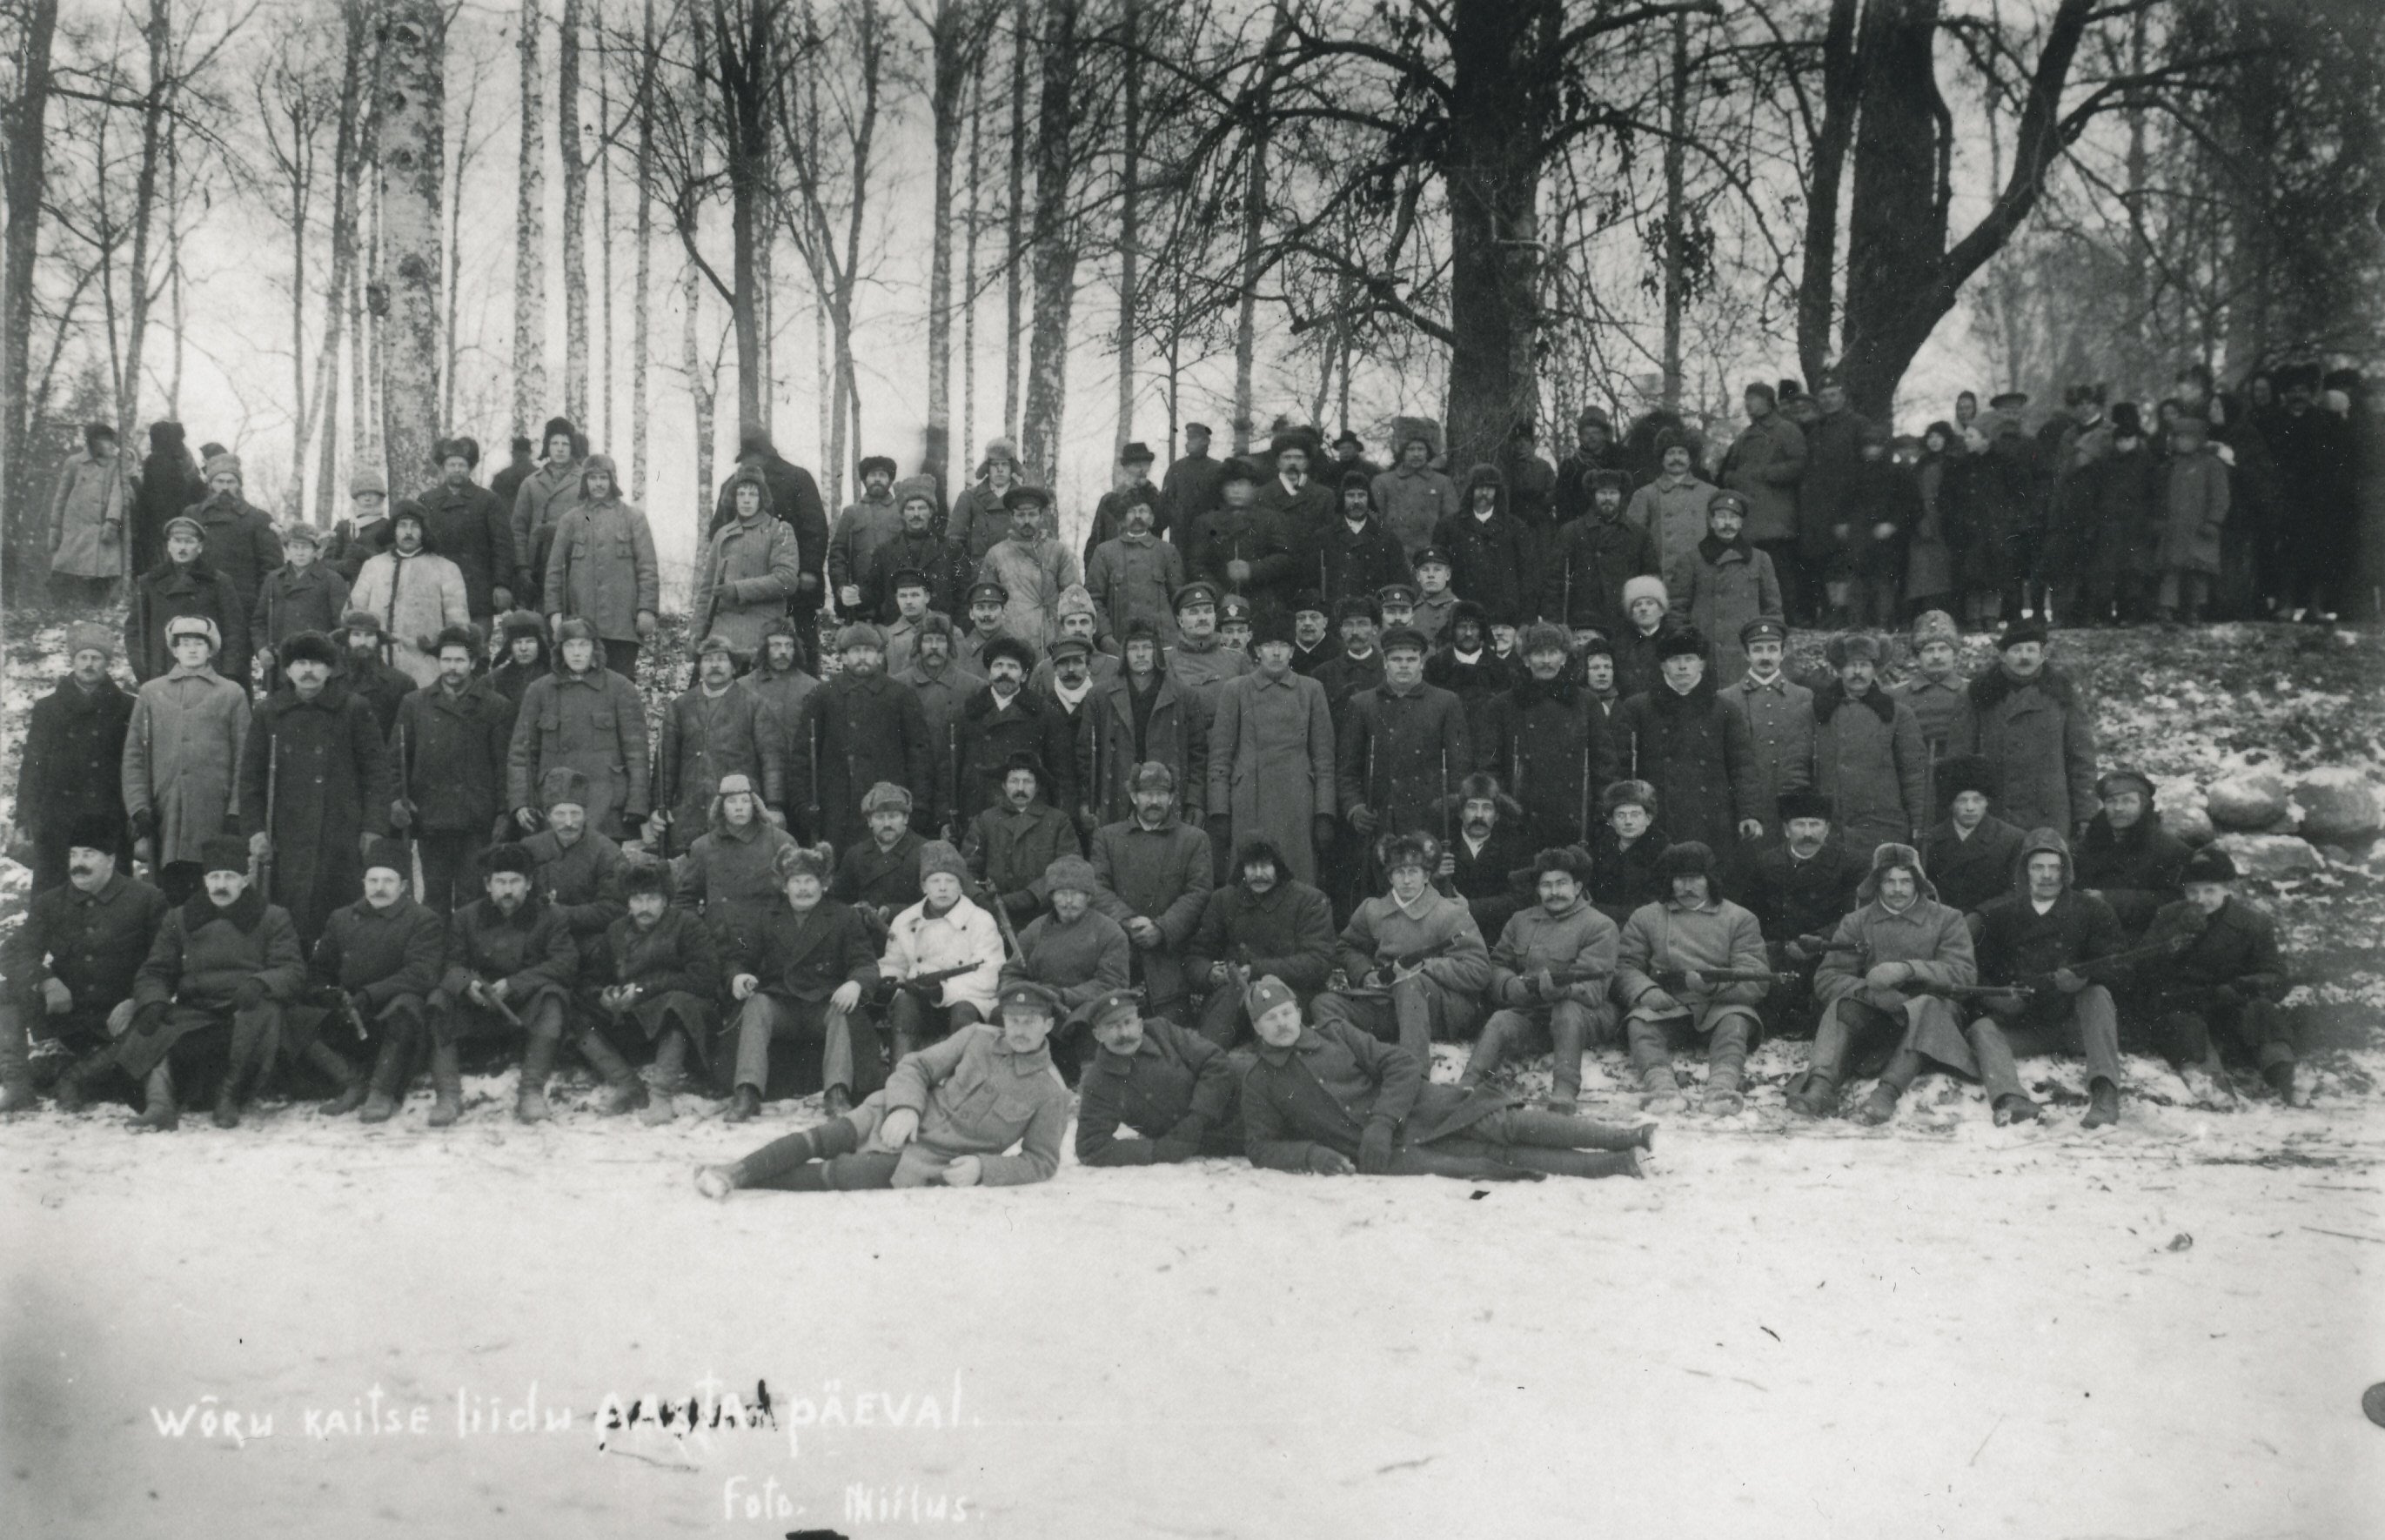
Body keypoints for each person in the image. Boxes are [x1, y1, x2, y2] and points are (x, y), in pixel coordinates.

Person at [1242, 974, 1647, 1180]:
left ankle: (1623, 1137)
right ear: (1258, 1029)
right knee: (1492, 1159)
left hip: (1419, 1108)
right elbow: (1262, 1146)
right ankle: (1614, 1165)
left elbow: (1400, 1065)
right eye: (1268, 1020)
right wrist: (1315, 1155)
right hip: (1390, 1153)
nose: (1281, 1024)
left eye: (1285, 1013)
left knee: (1503, 1124)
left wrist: (1383, 1121)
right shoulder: (1261, 1081)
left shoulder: (1335, 1032)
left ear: (1298, 1011)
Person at [694, 979, 1072, 1196]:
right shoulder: (977, 1036)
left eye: (1031, 1022)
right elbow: (916, 1065)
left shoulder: (1051, 1092)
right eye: (1013, 1020)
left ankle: (739, 1179)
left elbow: (1042, 1162)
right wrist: (904, 1107)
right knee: (823, 1138)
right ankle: (735, 1171)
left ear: (1048, 1026)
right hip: (896, 1116)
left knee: (844, 1174)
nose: (1019, 1030)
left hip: (934, 1159)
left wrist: (984, 1168)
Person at [109, 835, 305, 1130]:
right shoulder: (181, 917)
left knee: (265, 1012)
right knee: (153, 1027)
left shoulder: (272, 917)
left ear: (245, 879)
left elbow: (292, 969)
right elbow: (156, 970)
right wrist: (154, 1000)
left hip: (245, 1008)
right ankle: (159, 1105)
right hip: (196, 1011)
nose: (221, 885)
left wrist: (262, 983)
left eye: (229, 876)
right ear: (204, 880)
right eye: (214, 877)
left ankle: (230, 1096)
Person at [1786, 841, 1980, 1124]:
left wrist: (1908, 970)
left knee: (1926, 1005)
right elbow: (1828, 979)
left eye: (1906, 881)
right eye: (1889, 881)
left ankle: (1886, 1094)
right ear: (1876, 884)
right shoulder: (1857, 922)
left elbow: (1963, 975)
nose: (1898, 889)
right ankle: (1821, 1086)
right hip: (1877, 1021)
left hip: (1934, 1024)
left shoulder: (1947, 919)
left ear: (1919, 883)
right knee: (1842, 1005)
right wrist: (1869, 994)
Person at [0, 818, 171, 1113]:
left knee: (157, 1023)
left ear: (111, 860)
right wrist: (46, 981)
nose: (78, 864)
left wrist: (136, 1001)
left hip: (120, 1020)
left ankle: (75, 1078)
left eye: (89, 855)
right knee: (6, 993)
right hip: (69, 1017)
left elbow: (165, 963)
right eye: (73, 855)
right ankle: (17, 1085)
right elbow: (13, 954)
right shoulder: (51, 903)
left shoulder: (146, 900)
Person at [239, 631, 393, 949]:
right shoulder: (269, 712)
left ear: (329, 669)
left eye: (316, 664)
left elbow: (377, 775)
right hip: (286, 833)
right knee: (289, 914)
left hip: (341, 831)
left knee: (340, 913)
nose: (308, 671)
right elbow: (251, 780)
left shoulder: (353, 708)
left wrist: (373, 828)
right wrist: (255, 831)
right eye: (300, 663)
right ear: (288, 670)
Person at [719, 841, 881, 1121]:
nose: (803, 888)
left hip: (824, 1004)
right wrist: (739, 976)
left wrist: (855, 983)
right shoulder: (766, 917)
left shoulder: (843, 917)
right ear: (784, 886)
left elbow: (865, 963)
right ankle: (747, 1090)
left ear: (824, 884)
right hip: (782, 1004)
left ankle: (838, 1092)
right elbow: (739, 958)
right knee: (756, 1004)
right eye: (796, 881)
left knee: (843, 1012)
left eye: (810, 881)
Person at [2132, 846, 2299, 1106]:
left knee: (2262, 1010)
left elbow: (2276, 976)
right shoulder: (2168, 916)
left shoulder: (2253, 923)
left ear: (2227, 889)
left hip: (2233, 1007)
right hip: (2184, 1007)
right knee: (2185, 1028)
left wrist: (2241, 987)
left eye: (2210, 890)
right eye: (2192, 891)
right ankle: (2212, 1087)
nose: (2201, 899)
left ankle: (2287, 1077)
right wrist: (2173, 941)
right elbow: (2142, 967)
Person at [431, 843, 584, 1124]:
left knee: (553, 997)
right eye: (500, 882)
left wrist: (515, 983)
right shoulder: (466, 917)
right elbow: (451, 963)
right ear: (488, 885)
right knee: (440, 1000)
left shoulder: (551, 916)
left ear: (529, 884)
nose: (508, 890)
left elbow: (564, 964)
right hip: (478, 1004)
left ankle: (531, 1092)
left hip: (523, 1005)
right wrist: (468, 985)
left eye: (515, 881)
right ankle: (448, 1096)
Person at [1613, 840, 1769, 1115]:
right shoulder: (1647, 917)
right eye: (1679, 879)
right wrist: (1646, 991)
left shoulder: (1740, 919)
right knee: (1639, 1023)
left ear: (1710, 880)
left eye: (1696, 878)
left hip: (1719, 1006)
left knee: (1737, 1022)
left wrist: (1713, 986)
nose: (1687, 887)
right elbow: (1625, 966)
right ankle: (1661, 1088)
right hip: (1669, 1006)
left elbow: (1755, 978)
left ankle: (1721, 1089)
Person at [1312, 833, 1490, 1066]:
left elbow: (1479, 970)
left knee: (1410, 984)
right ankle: (1362, 1061)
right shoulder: (1372, 910)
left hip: (1437, 1008)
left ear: (1426, 876)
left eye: (1413, 872)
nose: (1407, 880)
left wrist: (1425, 966)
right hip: (1387, 1002)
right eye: (1399, 872)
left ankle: (1414, 1074)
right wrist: (1366, 974)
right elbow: (1347, 947)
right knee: (1324, 1004)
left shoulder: (1449, 913)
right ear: (1390, 877)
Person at [1461, 846, 1617, 1110]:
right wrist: (1510, 986)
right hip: (1533, 1012)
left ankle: (1564, 1092)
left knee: (1567, 1010)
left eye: (1561, 884)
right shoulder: (1521, 921)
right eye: (1546, 885)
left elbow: (1595, 988)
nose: (1554, 892)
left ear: (1577, 887)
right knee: (1501, 1019)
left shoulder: (1599, 925)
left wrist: (1564, 991)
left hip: (1586, 1017)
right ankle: (1467, 1086)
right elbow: (1498, 964)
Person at [308, 837, 447, 1122]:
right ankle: (351, 1081)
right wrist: (327, 993)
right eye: (372, 880)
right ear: (363, 882)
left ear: (404, 886)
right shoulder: (342, 918)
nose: (379, 888)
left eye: (388, 881)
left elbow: (422, 973)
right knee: (296, 1016)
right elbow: (319, 968)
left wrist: (370, 994)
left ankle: (381, 1092)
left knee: (406, 1005)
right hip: (350, 1016)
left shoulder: (423, 920)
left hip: (391, 1020)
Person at [1613, 626, 1763, 873]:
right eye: (1675, 660)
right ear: (1663, 665)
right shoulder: (1638, 708)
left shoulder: (1725, 710)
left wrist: (1749, 813)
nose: (1682, 666)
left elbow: (1743, 766)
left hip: (1712, 820)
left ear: (1701, 664)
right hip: (1657, 820)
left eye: (1689, 659)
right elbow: (1621, 765)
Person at [389, 626, 513, 914]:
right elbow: (396, 759)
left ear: (472, 664)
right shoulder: (414, 703)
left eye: (459, 661)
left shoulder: (495, 707)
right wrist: (397, 798)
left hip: (476, 818)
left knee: (473, 896)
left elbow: (504, 764)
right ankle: (434, 956)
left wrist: (502, 812)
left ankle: (467, 958)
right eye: (446, 660)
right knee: (434, 895)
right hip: (431, 815)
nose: (452, 667)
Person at [1205, 613, 1337, 886]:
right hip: (1248, 804)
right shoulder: (1236, 690)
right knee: (1250, 877)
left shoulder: (1311, 690)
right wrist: (1219, 810)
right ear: (1256, 650)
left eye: (1283, 646)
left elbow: (1324, 760)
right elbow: (1220, 757)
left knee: (1296, 880)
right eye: (1269, 645)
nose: (1276, 653)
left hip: (1297, 804)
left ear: (1292, 651)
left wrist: (1324, 812)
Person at [1336, 628, 1471, 874]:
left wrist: (1448, 811)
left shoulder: (1446, 702)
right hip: (1379, 821)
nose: (1404, 666)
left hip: (1430, 821)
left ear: (1422, 663)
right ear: (1385, 663)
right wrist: (1354, 808)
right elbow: (1347, 769)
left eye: (1411, 659)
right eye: (1396, 660)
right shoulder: (1362, 704)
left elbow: (1459, 765)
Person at [124, 615, 252, 871]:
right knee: (170, 887)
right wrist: (139, 807)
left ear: (211, 649)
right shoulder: (151, 693)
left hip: (214, 810)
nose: (192, 649)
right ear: (174, 649)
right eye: (184, 643)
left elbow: (245, 757)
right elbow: (134, 755)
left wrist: (236, 810)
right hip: (165, 812)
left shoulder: (232, 693)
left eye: (199, 643)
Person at [14, 623, 135, 893]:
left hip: (108, 816)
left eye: (96, 658)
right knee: (55, 894)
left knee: (111, 895)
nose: (89, 664)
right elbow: (33, 766)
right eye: (83, 657)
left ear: (107, 663)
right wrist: (25, 816)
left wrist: (135, 815)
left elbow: (135, 766)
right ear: (73, 661)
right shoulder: (48, 708)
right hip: (59, 818)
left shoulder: (128, 707)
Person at [1089, 761, 1214, 1020]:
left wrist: (1162, 928)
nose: (1154, 801)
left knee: (1171, 1030)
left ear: (1171, 798)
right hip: (1122, 951)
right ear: (1134, 796)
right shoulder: (1107, 837)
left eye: (1161, 794)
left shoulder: (1193, 839)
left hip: (1170, 956)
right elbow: (1097, 887)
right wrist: (1130, 922)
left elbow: (1198, 892)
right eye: (1147, 794)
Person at [507, 617, 652, 841]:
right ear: (559, 651)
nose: (577, 653)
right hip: (553, 805)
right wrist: (520, 802)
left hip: (606, 807)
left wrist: (637, 805)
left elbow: (637, 754)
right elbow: (521, 754)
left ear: (595, 649)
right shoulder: (539, 691)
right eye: (570, 646)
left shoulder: (620, 688)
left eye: (583, 645)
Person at [1184, 838, 1336, 1051]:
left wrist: (1257, 970)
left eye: (1265, 866)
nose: (1258, 874)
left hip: (1290, 995)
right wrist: (1210, 973)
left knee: (1272, 1054)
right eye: (1251, 866)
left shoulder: (1309, 900)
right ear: (1241, 868)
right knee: (1210, 1048)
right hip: (1234, 998)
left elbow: (1319, 962)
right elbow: (1196, 956)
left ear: (1278, 867)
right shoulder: (1224, 900)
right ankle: (1206, 1061)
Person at [1953, 617, 2098, 839]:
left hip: (2049, 813)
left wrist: (2085, 814)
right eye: (2017, 650)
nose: (2024, 657)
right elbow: (1961, 758)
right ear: (2002, 656)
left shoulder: (2062, 694)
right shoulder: (1978, 694)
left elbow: (2082, 760)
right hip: (1994, 811)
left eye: (2031, 650)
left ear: (2042, 655)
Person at [1745, 789, 1869, 1034]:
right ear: (1786, 829)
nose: (1808, 833)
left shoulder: (1851, 864)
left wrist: (1816, 943)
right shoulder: (1765, 863)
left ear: (1828, 828)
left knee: (1830, 1018)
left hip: (1828, 953)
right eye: (1800, 824)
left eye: (1815, 824)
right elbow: (1751, 916)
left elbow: (1855, 918)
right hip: (1780, 954)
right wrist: (1778, 946)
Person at [1001, 854, 1131, 1079]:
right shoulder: (1035, 929)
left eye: (1076, 894)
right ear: (1051, 896)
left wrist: (1064, 994)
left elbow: (1112, 982)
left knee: (1087, 1022)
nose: (1068, 901)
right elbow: (1012, 972)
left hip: (1082, 1009)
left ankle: (1089, 1085)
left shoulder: (1109, 932)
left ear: (1088, 896)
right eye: (1061, 894)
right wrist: (1028, 995)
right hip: (1041, 1009)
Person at [653, 636, 785, 854]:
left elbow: (772, 759)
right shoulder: (680, 707)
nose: (714, 665)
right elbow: (665, 763)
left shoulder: (754, 705)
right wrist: (660, 806)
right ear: (699, 667)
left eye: (721, 659)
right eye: (708, 659)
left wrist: (774, 806)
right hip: (690, 813)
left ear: (734, 667)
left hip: (739, 810)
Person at [876, 840, 1006, 1061]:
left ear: (961, 886)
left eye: (950, 881)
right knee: (904, 1006)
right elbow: (894, 964)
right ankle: (902, 1077)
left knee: (963, 1013)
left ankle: (964, 1080)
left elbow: (990, 973)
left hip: (967, 998)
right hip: (919, 998)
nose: (943, 888)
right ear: (924, 886)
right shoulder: (906, 920)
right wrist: (889, 983)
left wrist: (942, 991)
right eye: (935, 881)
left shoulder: (980, 920)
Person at [543, 454, 660, 680]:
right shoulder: (571, 520)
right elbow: (555, 571)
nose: (598, 484)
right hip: (580, 626)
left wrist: (647, 609)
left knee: (621, 685)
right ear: (584, 482)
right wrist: (554, 613)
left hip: (623, 625)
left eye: (603, 478)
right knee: (581, 686)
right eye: (592, 478)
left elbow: (647, 568)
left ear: (613, 481)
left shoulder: (633, 518)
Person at [1812, 632, 1928, 853]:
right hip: (1828, 829)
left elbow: (1914, 775)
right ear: (1839, 669)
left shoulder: (1898, 714)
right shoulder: (1816, 711)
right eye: (1850, 665)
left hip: (1883, 828)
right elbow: (1797, 767)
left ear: (1875, 669)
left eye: (1864, 665)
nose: (1857, 672)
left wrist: (1919, 824)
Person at [1087, 619, 1208, 830]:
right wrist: (1089, 803)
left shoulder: (1185, 697)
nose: (1141, 654)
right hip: (1118, 796)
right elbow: (1086, 755)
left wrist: (1194, 801)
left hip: (1166, 794)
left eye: (1147, 647)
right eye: (1134, 648)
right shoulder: (1100, 697)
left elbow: (1198, 754)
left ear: (1157, 652)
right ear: (1124, 652)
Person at [672, 770, 801, 959]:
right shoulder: (703, 847)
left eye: (745, 801)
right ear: (721, 807)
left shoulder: (780, 842)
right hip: (722, 943)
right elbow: (685, 901)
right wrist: (700, 934)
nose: (739, 808)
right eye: (732, 802)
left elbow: (798, 893)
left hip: (773, 941)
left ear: (755, 805)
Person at [954, 636, 1078, 829]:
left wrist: (1063, 818)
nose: (1004, 672)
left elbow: (1062, 774)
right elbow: (951, 769)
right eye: (998, 666)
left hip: (1029, 813)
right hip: (977, 813)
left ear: (1024, 676)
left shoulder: (1045, 714)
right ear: (989, 673)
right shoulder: (968, 714)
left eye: (1012, 667)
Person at [347, 502, 472, 687]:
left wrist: (437, 649)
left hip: (424, 670)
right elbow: (353, 615)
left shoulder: (445, 569)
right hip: (375, 669)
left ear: (424, 531)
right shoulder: (374, 566)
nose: (408, 532)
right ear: (393, 530)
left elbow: (458, 626)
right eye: (402, 526)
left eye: (415, 526)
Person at [691, 465, 803, 668]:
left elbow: (786, 580)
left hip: (761, 633)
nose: (746, 499)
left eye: (753, 494)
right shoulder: (722, 534)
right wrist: (696, 633)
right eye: (741, 494)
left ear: (762, 498)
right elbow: (707, 589)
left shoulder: (780, 530)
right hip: (721, 635)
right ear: (733, 498)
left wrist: (737, 590)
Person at [1718, 381, 1808, 620]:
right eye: (1747, 399)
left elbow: (1799, 464)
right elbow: (1728, 469)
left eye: (1754, 398)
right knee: (1754, 571)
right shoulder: (1744, 436)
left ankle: (1789, 617)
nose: (1749, 404)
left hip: (1776, 516)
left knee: (1781, 571)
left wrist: (1768, 473)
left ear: (1769, 401)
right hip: (1750, 519)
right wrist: (1733, 478)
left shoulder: (1786, 430)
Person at [961, 751, 1083, 927]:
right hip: (993, 917)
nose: (1020, 788)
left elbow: (1069, 869)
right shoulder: (985, 820)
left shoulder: (1058, 821)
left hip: (1043, 917)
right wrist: (979, 898)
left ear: (1037, 786)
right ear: (1004, 785)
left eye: (1027, 781)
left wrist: (1029, 897)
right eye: (1013, 781)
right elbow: (967, 868)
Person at [127, 515, 251, 688]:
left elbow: (234, 631)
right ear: (169, 546)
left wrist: (228, 674)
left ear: (199, 547)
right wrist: (142, 669)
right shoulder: (149, 582)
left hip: (208, 672)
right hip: (162, 671)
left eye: (189, 542)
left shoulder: (218, 582)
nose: (182, 548)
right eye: (177, 541)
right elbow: (135, 631)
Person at [2072, 768, 2190, 940]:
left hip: (2144, 939)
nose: (2118, 808)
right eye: (2112, 801)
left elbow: (2176, 901)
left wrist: (2110, 899)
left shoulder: (2172, 851)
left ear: (2143, 806)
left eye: (2128, 801)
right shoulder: (2086, 847)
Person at [1679, 492, 1782, 686]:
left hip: (1745, 653)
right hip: (1705, 654)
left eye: (1734, 517)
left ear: (1742, 523)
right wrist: (1688, 648)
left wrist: (1767, 648)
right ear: (1711, 521)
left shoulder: (1760, 559)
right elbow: (1678, 609)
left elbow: (1773, 610)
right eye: (1722, 517)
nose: (1728, 523)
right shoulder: (1691, 560)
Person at [1192, 458, 1308, 631]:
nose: (1236, 490)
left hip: (1264, 604)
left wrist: (1252, 569)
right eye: (1231, 485)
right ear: (1222, 489)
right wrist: (1221, 597)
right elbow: (1196, 566)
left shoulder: (1271, 518)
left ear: (1254, 487)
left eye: (1242, 484)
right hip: (1220, 606)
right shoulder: (1206, 522)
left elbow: (1286, 559)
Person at [1544, 467, 1658, 641]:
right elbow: (1554, 582)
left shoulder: (1638, 534)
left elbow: (1651, 580)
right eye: (1602, 493)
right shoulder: (1571, 532)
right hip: (1583, 623)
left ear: (1621, 496)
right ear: (1593, 495)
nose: (1607, 498)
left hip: (1625, 622)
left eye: (1613, 493)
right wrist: (1556, 625)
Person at [1798, 369, 1873, 626]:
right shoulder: (1816, 430)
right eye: (1824, 396)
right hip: (1820, 513)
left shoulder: (1858, 425)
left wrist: (1851, 513)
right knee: (1826, 565)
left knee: (1846, 565)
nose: (1829, 400)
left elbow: (1865, 473)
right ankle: (1832, 612)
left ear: (1843, 396)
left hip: (1849, 510)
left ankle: (1847, 615)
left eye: (1834, 394)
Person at [414, 437, 518, 623]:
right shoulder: (426, 501)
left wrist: (502, 585)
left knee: (478, 647)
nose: (456, 469)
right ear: (443, 468)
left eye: (461, 465)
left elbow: (502, 546)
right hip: (437, 590)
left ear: (469, 468)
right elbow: (417, 545)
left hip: (479, 591)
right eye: (451, 464)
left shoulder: (488, 501)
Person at [183, 451, 285, 636]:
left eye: (231, 482)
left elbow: (271, 568)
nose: (225, 488)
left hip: (242, 606)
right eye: (219, 481)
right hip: (199, 602)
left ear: (239, 485)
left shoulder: (258, 518)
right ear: (210, 484)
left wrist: (260, 606)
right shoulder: (192, 515)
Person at [1919, 753, 2027, 915]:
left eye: (1977, 800)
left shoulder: (2012, 840)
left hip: (1990, 929)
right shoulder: (1929, 840)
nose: (1970, 807)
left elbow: (2016, 892)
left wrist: (1979, 917)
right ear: (1950, 803)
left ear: (1987, 801)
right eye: (1962, 800)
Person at [977, 486, 1080, 651]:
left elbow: (1074, 598)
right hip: (1010, 641)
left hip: (1052, 641)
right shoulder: (996, 554)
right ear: (1012, 517)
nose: (1026, 521)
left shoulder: (1058, 551)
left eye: (1032, 514)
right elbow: (984, 601)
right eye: (1020, 515)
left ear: (1041, 516)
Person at [2154, 412, 2230, 624]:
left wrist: (2214, 520)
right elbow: (2161, 496)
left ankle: (2194, 610)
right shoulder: (2171, 466)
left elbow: (2220, 496)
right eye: (2177, 437)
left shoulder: (2212, 465)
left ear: (2198, 439)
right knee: (2172, 570)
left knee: (2198, 572)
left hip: (2200, 528)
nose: (2181, 442)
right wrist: (2160, 518)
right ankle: (2166, 608)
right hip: (2175, 528)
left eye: (2186, 437)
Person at [251, 524, 353, 681]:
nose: (300, 552)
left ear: (316, 550)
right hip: (282, 664)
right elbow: (259, 621)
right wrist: (262, 649)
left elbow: (342, 626)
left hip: (319, 662)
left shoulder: (332, 580)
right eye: (294, 547)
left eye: (305, 547)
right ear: (286, 549)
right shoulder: (274, 579)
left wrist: (330, 656)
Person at [1626, 430, 1719, 602]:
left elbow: (1719, 538)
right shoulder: (1645, 494)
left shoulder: (1710, 493)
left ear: (1691, 459)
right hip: (1661, 579)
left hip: (1701, 577)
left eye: (1682, 453)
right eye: (1670, 453)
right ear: (1662, 459)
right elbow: (1632, 541)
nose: (1676, 458)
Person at [1434, 464, 1531, 628]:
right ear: (1470, 490)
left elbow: (1527, 571)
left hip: (1504, 610)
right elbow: (1438, 567)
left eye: (1490, 488)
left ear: (1497, 492)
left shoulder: (1515, 526)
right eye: (1479, 488)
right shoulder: (1449, 526)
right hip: (1463, 605)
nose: (1484, 493)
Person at [1437, 773, 1531, 941]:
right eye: (1472, 807)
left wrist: (1471, 908)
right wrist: (1434, 877)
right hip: (1447, 936)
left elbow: (1520, 899)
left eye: (1487, 808)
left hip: (1496, 938)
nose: (1479, 815)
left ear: (1497, 815)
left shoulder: (1514, 847)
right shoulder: (1441, 844)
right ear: (1460, 812)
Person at [48, 420, 130, 603]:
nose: (110, 444)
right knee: (65, 573)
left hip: (101, 531)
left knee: (101, 578)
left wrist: (113, 521)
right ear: (92, 441)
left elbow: (118, 493)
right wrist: (55, 527)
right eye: (104, 440)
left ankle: (96, 609)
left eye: (111, 440)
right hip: (75, 529)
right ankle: (60, 610)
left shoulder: (115, 465)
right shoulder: (74, 463)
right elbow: (61, 497)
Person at [509, 418, 586, 607]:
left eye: (565, 444)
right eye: (554, 443)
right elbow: (518, 529)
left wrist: (563, 530)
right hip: (538, 566)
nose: (560, 449)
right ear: (547, 447)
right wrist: (522, 567)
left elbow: (592, 519)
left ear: (572, 447)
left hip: (575, 563)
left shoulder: (585, 480)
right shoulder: (531, 483)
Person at [828, 781, 926, 928]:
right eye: (880, 817)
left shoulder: (925, 852)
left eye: (893, 816)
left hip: (911, 935)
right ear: (869, 821)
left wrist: (892, 912)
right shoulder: (855, 855)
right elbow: (835, 903)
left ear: (906, 818)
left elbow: (935, 905)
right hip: (863, 940)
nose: (887, 823)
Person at [1318, 470, 1409, 613]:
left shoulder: (1386, 538)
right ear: (1342, 499)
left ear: (1369, 499)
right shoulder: (1324, 537)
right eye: (1350, 496)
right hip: (1334, 615)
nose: (1356, 501)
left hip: (1372, 616)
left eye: (1361, 495)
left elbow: (1399, 581)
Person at [866, 490, 960, 624]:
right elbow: (874, 592)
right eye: (910, 509)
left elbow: (962, 596)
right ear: (902, 514)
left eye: (922, 508)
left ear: (931, 512)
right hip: (897, 629)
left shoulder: (951, 549)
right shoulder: (884, 551)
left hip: (939, 633)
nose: (916, 514)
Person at [828, 455, 904, 616]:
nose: (877, 479)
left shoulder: (902, 511)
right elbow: (837, 554)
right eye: (872, 475)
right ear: (864, 479)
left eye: (882, 475)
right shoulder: (851, 513)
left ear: (890, 480)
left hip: (896, 595)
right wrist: (841, 587)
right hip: (859, 597)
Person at [1888, 610, 1966, 763]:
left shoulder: (1971, 691)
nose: (1936, 656)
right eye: (1929, 650)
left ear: (1955, 653)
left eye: (1943, 649)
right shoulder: (1896, 695)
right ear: (1917, 657)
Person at [129, 420, 204, 578]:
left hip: (157, 523)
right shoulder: (185, 459)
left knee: (158, 566)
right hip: (184, 518)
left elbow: (150, 496)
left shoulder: (156, 460)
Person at [1161, 579, 1253, 703]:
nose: (1202, 618)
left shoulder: (1237, 659)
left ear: (1214, 617)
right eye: (1194, 612)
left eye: (1208, 611)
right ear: (1180, 621)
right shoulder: (1167, 660)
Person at [1370, 433, 1459, 559]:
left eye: (1421, 449)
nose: (1416, 454)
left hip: (1431, 554)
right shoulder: (1383, 482)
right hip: (1394, 554)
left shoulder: (1442, 482)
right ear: (1402, 453)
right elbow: (1374, 519)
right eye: (1411, 449)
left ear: (1428, 453)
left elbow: (1452, 520)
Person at [946, 436, 1027, 565]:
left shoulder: (1025, 498)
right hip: (980, 575)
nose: (1000, 469)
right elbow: (953, 542)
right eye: (995, 464)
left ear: (1012, 468)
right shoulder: (969, 498)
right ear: (987, 468)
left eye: (1005, 464)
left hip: (1016, 573)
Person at [1081, 441, 1162, 563]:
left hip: (1147, 568)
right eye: (1136, 465)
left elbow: (1162, 523)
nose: (1141, 470)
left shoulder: (1155, 498)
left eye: (1145, 464)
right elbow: (1095, 541)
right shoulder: (1109, 500)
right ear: (1125, 467)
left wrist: (1150, 491)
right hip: (1114, 567)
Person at [1311, 593, 1388, 723]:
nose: (1355, 632)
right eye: (1348, 625)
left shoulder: (1388, 670)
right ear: (1341, 631)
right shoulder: (1323, 674)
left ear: (1375, 629)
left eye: (1362, 624)